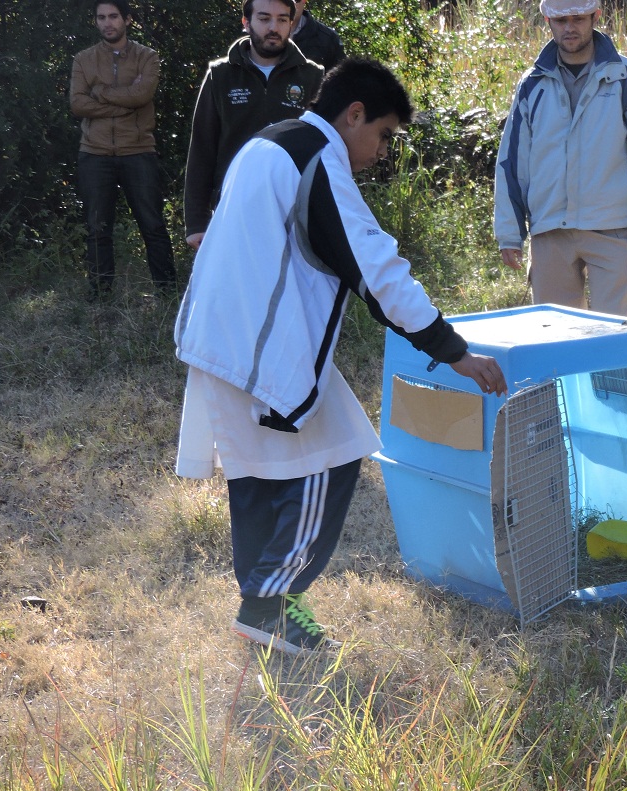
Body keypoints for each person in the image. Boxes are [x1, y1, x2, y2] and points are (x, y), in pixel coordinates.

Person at [174, 58, 507, 656]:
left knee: (258, 473)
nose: (381, 151)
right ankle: (266, 602)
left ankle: (262, 603)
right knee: (334, 458)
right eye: (382, 134)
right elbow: (376, 273)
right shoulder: (316, 158)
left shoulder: (268, 141)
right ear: (353, 115)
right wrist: (452, 351)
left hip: (222, 337)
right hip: (261, 351)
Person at [494, 0, 627, 317]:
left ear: (595, 17)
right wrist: (510, 233)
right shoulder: (531, 84)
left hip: (612, 230)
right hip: (549, 232)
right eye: (561, 20)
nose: (569, 27)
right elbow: (511, 163)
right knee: (555, 342)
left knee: (611, 340)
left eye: (578, 18)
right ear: (548, 20)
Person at [183, 0, 324, 249]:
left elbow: (325, 151)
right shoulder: (221, 75)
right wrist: (196, 224)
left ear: (291, 24)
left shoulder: (312, 76)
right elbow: (202, 150)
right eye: (264, 18)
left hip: (294, 209)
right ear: (246, 23)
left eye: (282, 19)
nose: (274, 27)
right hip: (234, 206)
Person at [69, 0, 176, 296]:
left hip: (138, 149)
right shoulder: (83, 59)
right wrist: (122, 104)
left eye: (113, 16)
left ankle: (167, 292)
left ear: (127, 20)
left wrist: (100, 93)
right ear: (95, 21)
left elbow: (142, 95)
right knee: (97, 227)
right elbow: (77, 104)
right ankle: (100, 294)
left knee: (152, 224)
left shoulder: (147, 56)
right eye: (101, 17)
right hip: (94, 152)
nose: (107, 23)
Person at [291, 0, 346, 70]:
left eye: (295, 0)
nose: (290, 3)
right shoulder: (272, 34)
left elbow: (341, 78)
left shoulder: (328, 39)